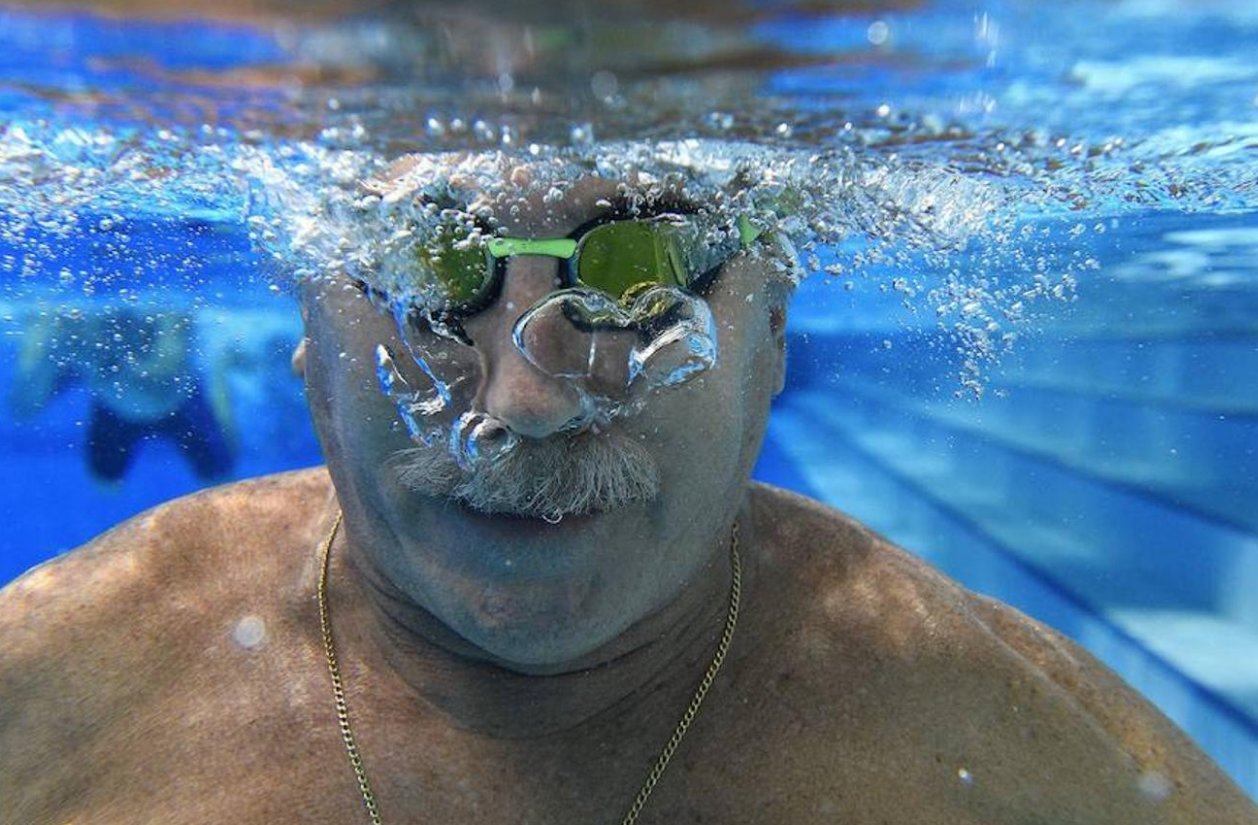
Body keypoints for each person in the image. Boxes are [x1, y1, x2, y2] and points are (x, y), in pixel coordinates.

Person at [1, 157, 1255, 825]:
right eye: (424, 268)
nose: (524, 404)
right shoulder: (47, 699)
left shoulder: (1041, 773)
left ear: (770, 337)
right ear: (309, 337)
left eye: (639, 270)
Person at [8, 306, 237, 484]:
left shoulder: (163, 331)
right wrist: (47, 339)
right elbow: (22, 406)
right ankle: (219, 373)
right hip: (118, 398)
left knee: (220, 477)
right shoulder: (85, 336)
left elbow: (166, 366)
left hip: (171, 400)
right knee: (105, 480)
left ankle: (219, 373)